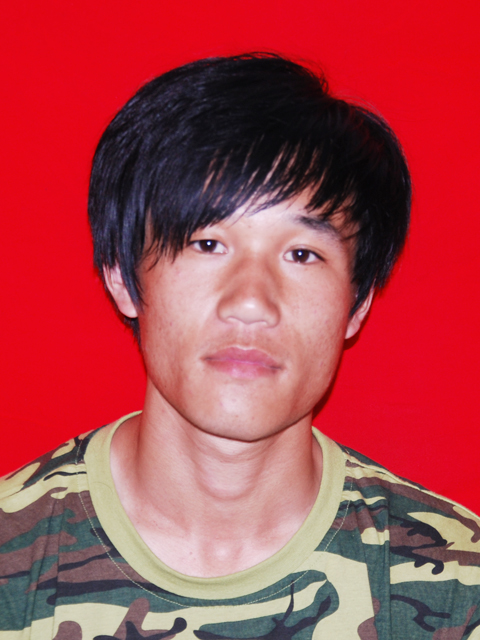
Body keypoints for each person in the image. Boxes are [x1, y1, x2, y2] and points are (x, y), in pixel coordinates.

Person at [1, 53, 479, 640]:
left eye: (302, 254)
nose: (251, 302)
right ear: (122, 277)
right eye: (207, 243)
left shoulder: (458, 585)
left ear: (356, 305)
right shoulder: (11, 562)